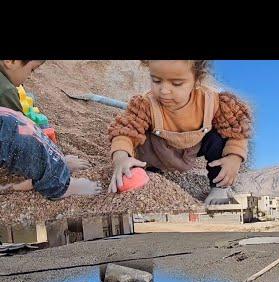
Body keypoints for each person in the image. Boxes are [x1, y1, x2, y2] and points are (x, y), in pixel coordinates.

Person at [107, 60, 252, 205]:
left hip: (194, 148)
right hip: (157, 153)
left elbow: (238, 128)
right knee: (137, 136)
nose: (164, 90)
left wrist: (234, 158)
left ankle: (219, 186)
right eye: (156, 80)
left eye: (176, 83)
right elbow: (125, 131)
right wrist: (121, 158)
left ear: (196, 81)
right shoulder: (146, 104)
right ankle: (150, 175)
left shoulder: (212, 102)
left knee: (221, 136)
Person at [0, 60, 100, 198]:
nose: (29, 76)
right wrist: (57, 163)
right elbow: (23, 138)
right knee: (26, 139)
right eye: (32, 70)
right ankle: (57, 184)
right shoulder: (5, 91)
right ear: (11, 61)